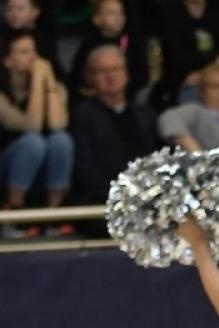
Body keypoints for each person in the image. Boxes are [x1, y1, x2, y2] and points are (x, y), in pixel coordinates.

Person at [69, 45, 159, 211]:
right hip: (102, 201)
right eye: (102, 71)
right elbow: (85, 167)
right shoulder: (81, 115)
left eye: (116, 69)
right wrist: (119, 195)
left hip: (147, 198)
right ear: (89, 77)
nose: (111, 76)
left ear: (126, 73)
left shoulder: (147, 115)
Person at [0, 31, 71, 232]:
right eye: (23, 52)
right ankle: (15, 212)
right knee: (33, 142)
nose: (33, 58)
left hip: (43, 168)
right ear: (8, 61)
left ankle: (54, 213)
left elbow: (58, 125)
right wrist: (40, 77)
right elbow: (32, 126)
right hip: (7, 168)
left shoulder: (54, 86)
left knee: (61, 141)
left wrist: (45, 82)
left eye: (34, 51)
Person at [153, 0, 219, 108]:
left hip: (218, 78)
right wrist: (216, 60)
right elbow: (177, 59)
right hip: (183, 84)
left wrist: (204, 74)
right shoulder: (170, 12)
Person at [67, 0, 147, 100]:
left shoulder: (132, 43)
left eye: (121, 13)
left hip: (124, 98)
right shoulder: (88, 43)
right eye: (111, 13)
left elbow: (142, 76)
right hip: (92, 98)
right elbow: (76, 74)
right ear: (96, 19)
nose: (118, 18)